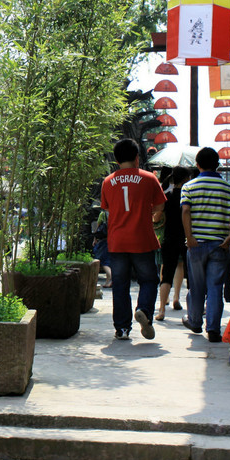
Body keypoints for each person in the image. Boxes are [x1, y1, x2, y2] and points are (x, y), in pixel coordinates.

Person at [100, 139, 166, 340]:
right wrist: (151, 215)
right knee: (149, 279)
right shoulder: (149, 179)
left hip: (118, 241)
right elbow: (160, 207)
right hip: (143, 239)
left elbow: (108, 209)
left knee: (120, 284)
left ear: (117, 160)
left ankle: (122, 328)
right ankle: (144, 310)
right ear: (137, 158)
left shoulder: (108, 181)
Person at [180, 148, 230, 342]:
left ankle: (195, 321)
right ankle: (213, 328)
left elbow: (186, 211)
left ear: (197, 165)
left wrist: (189, 237)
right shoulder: (229, 188)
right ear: (218, 165)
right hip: (219, 244)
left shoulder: (189, 186)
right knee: (215, 287)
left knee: (197, 286)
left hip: (196, 243)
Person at [156, 166, 191, 321]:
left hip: (169, 238)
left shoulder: (167, 196)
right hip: (186, 238)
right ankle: (192, 311)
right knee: (191, 276)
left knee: (166, 276)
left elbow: (156, 218)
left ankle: (162, 309)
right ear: (185, 179)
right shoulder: (189, 196)